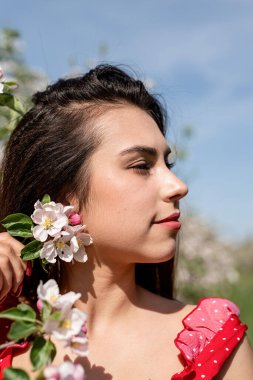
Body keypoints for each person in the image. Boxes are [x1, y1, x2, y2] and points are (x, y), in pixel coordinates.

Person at [0, 64, 252, 380]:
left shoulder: (213, 341)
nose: (178, 186)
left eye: (168, 163)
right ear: (61, 196)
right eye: (141, 165)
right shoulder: (9, 337)